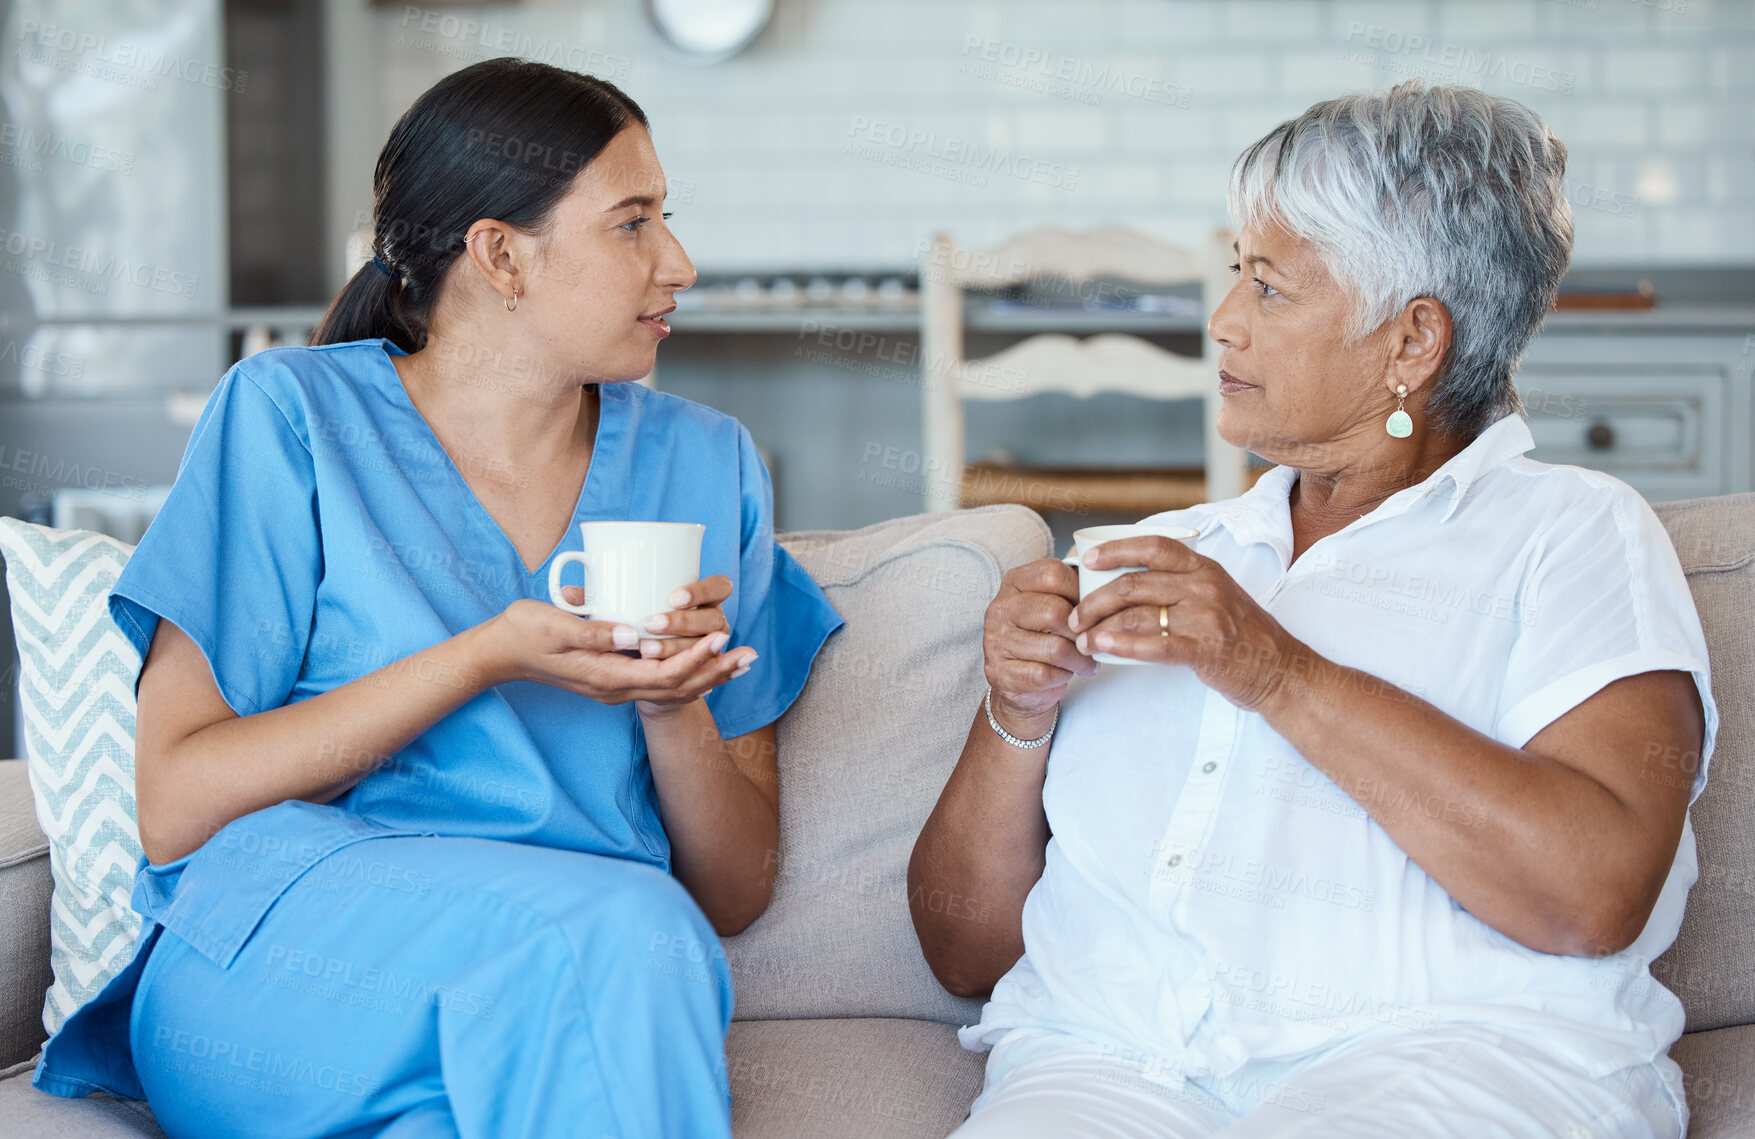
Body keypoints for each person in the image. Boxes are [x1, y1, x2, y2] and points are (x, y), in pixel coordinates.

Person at [32, 58, 842, 1138]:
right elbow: (177, 801)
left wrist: (668, 701)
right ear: (501, 253)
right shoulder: (289, 416)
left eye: (667, 220)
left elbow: (736, 887)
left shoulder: (708, 463)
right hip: (290, 964)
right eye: (632, 224)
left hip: (554, 993)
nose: (678, 264)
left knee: (618, 962)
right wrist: (483, 655)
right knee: (616, 933)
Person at [910, 80, 1715, 1139]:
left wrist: (1275, 669)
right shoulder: (1163, 561)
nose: (1222, 320)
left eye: (1270, 288)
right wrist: (1016, 706)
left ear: (1412, 343)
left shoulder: (1573, 534)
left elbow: (1592, 893)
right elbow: (964, 952)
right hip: (1107, 1067)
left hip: (1455, 1064)